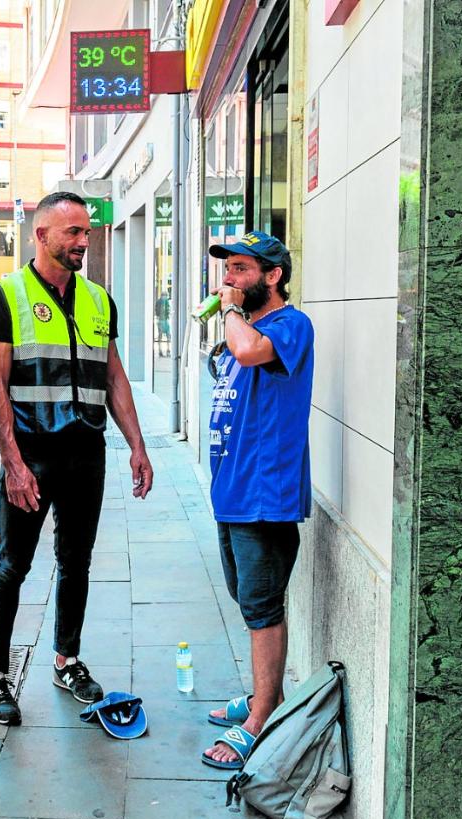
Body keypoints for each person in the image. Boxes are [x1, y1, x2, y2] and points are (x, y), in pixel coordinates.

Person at [0, 191, 154, 725]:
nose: (83, 240)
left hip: (85, 454)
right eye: (73, 232)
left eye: (86, 231)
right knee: (13, 566)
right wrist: (12, 463)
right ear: (42, 236)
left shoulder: (100, 300)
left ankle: (66, 658)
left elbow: (113, 375)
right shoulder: (3, 297)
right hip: (31, 457)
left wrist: (138, 446)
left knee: (76, 561)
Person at [198, 231, 315, 772]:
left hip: (265, 496)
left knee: (263, 608)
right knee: (248, 602)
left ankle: (263, 712)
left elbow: (248, 353)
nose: (229, 279)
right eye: (228, 270)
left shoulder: (290, 325)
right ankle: (258, 692)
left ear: (272, 276)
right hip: (233, 492)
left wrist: (228, 314)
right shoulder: (242, 328)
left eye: (241, 270)